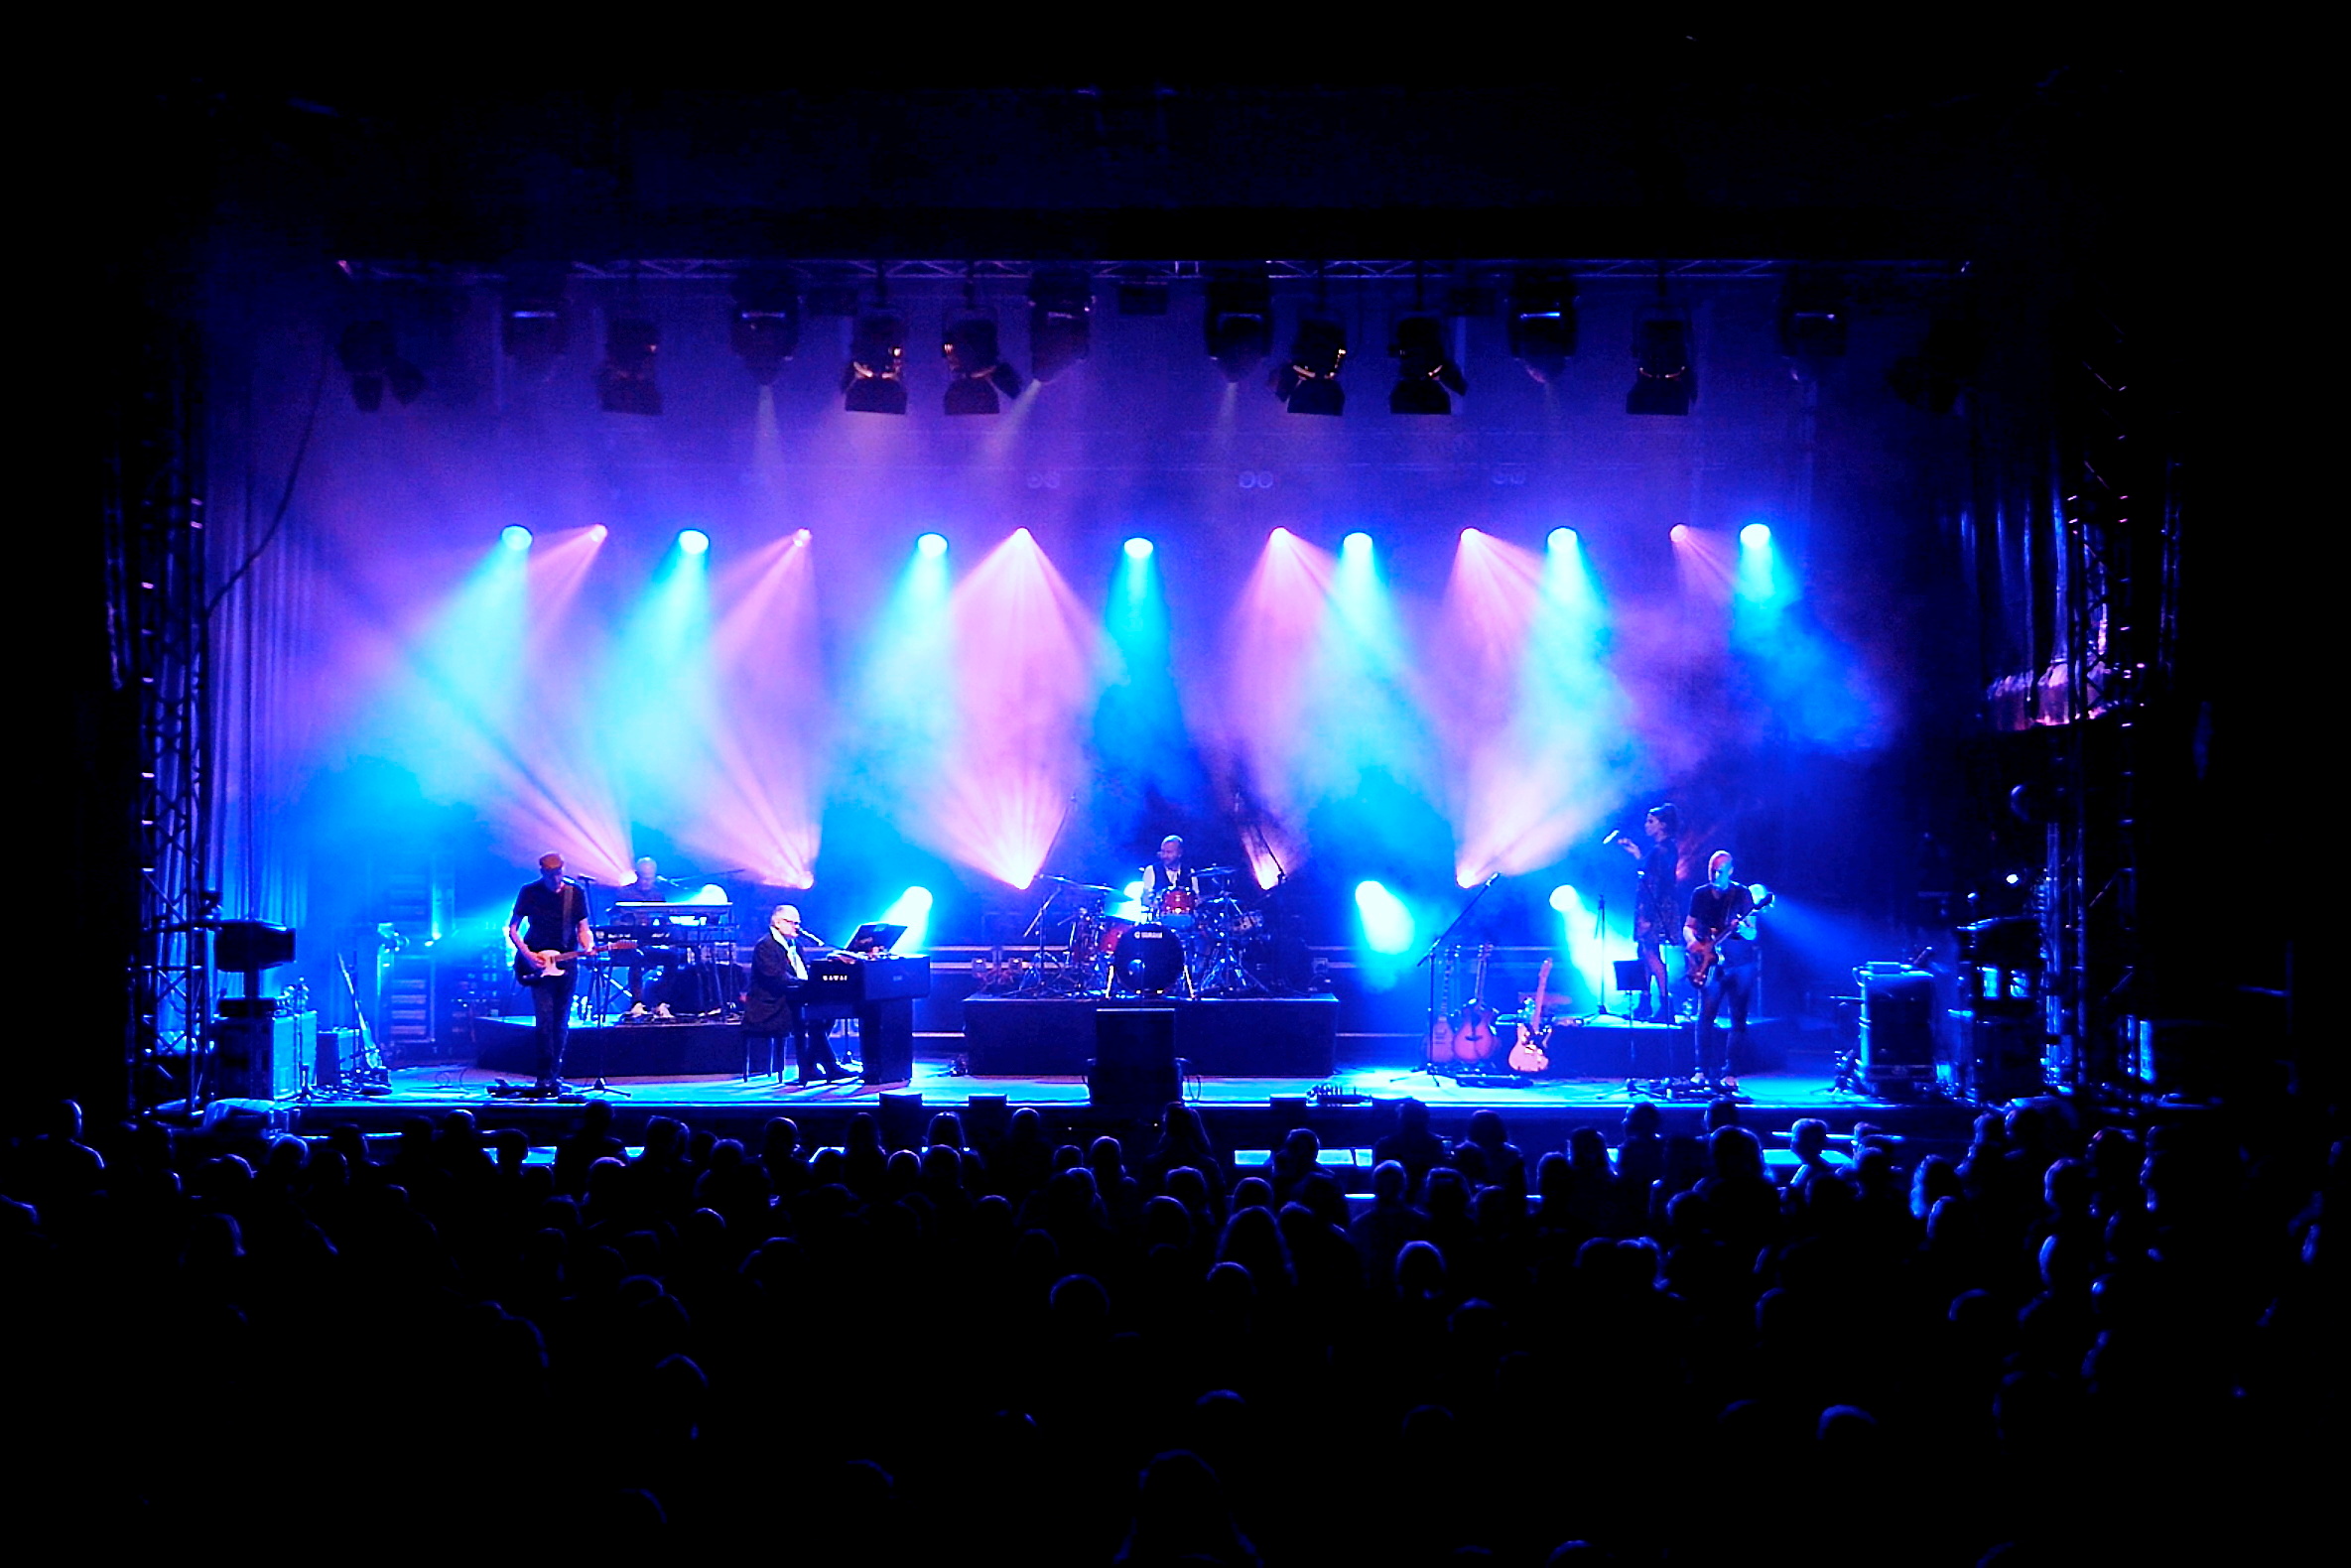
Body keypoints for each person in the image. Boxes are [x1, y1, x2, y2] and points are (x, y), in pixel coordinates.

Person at [507, 853, 595, 1093]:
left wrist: (587, 946)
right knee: (544, 1019)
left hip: (566, 963)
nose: (556, 880)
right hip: (537, 962)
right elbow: (513, 929)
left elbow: (583, 927)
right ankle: (543, 1076)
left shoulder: (574, 893)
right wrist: (527, 955)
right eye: (551, 875)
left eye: (559, 874)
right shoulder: (530, 892)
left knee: (561, 1021)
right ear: (542, 873)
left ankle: (555, 1075)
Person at [745, 904, 849, 1087]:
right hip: (771, 1004)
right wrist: (806, 985)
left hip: (792, 998)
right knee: (812, 1020)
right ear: (777, 922)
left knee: (826, 1015)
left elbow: (802, 973)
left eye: (798, 923)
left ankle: (810, 1066)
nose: (797, 928)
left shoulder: (796, 945)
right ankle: (826, 1067)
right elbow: (775, 977)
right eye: (793, 923)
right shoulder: (765, 946)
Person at [1684, 849, 1761, 1088]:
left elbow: (1752, 933)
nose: (1715, 875)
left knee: (1738, 1018)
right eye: (1712, 870)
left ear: (1731, 872)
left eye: (1720, 871)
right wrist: (1693, 942)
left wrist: (1741, 929)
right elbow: (1688, 925)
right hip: (1711, 963)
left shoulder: (1742, 894)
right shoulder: (1700, 894)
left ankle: (1730, 1073)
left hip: (1740, 964)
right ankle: (1701, 1070)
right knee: (1705, 1016)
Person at [1616, 803, 1681, 1021]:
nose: (1646, 825)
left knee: (1651, 954)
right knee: (1644, 953)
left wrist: (1648, 918)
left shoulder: (1662, 850)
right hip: (1655, 906)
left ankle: (1665, 1004)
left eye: (1651, 821)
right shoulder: (1664, 849)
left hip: (1654, 908)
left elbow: (1657, 885)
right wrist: (1637, 854)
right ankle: (1645, 1004)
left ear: (1662, 825)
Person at [1141, 835, 1198, 927]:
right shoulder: (1152, 870)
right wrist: (1156, 904)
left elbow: (1196, 899)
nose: (1164, 856)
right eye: (1163, 852)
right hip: (1160, 922)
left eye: (1169, 852)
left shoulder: (1190, 872)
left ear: (1179, 853)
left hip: (1186, 923)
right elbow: (1146, 900)